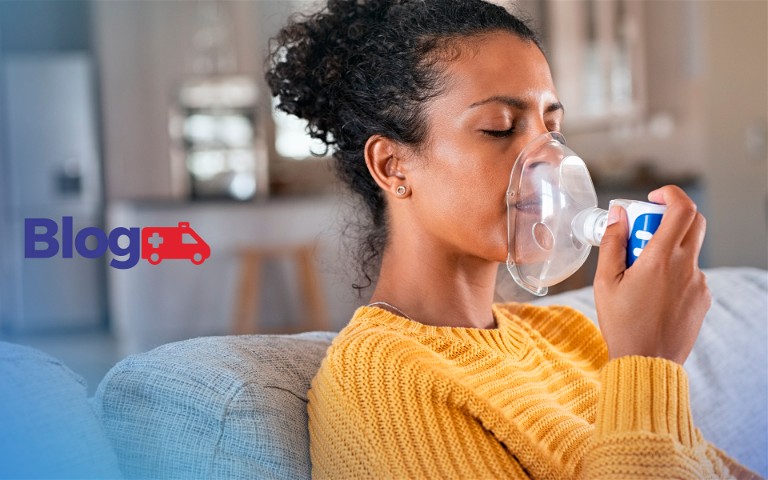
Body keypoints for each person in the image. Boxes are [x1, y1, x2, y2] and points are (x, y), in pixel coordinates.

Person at [265, 1, 761, 478]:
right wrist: (646, 362)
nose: (543, 155)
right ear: (392, 165)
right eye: (500, 127)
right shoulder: (382, 383)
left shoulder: (570, 336)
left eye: (552, 127)